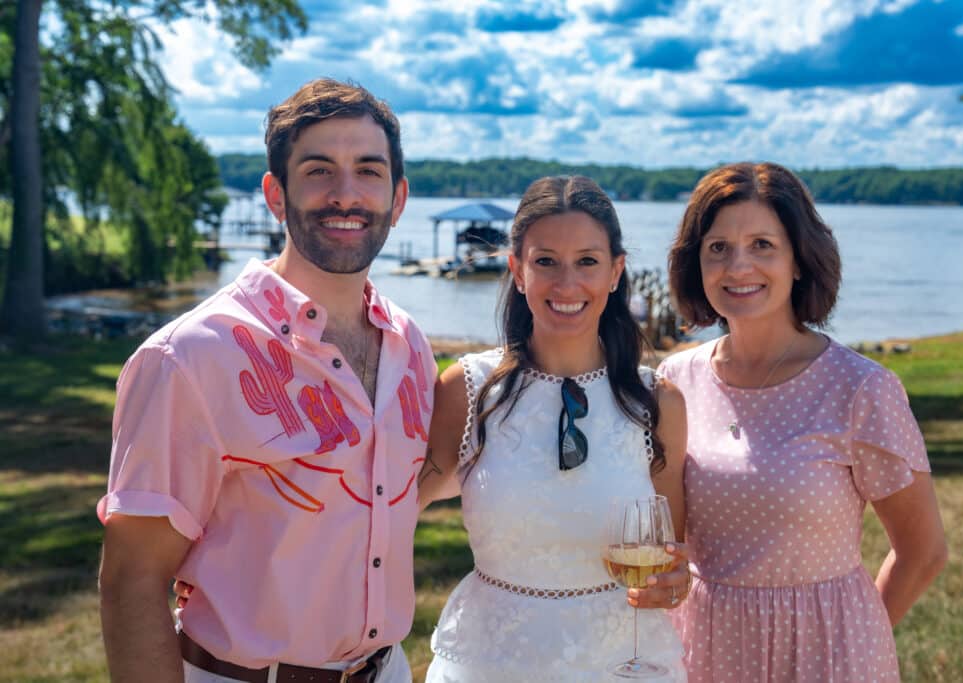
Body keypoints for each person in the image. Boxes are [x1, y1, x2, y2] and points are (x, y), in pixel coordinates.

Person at [96, 78, 435, 683]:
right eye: (318, 171)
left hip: (387, 671)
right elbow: (133, 581)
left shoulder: (408, 344)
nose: (346, 194)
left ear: (399, 196)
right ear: (276, 195)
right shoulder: (191, 357)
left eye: (368, 170)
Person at [658, 162, 948, 682]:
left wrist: (855, 640)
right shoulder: (674, 380)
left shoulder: (860, 388)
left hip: (827, 654)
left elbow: (923, 552)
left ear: (798, 260)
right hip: (701, 651)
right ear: (696, 264)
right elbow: (663, 536)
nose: (737, 266)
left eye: (762, 245)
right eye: (717, 247)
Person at [415, 175, 691, 682]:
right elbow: (395, 503)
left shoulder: (659, 403)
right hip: (490, 664)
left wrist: (675, 582)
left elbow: (669, 555)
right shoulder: (469, 390)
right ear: (517, 270)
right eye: (546, 262)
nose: (567, 284)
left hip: (622, 667)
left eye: (587, 261)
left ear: (616, 272)